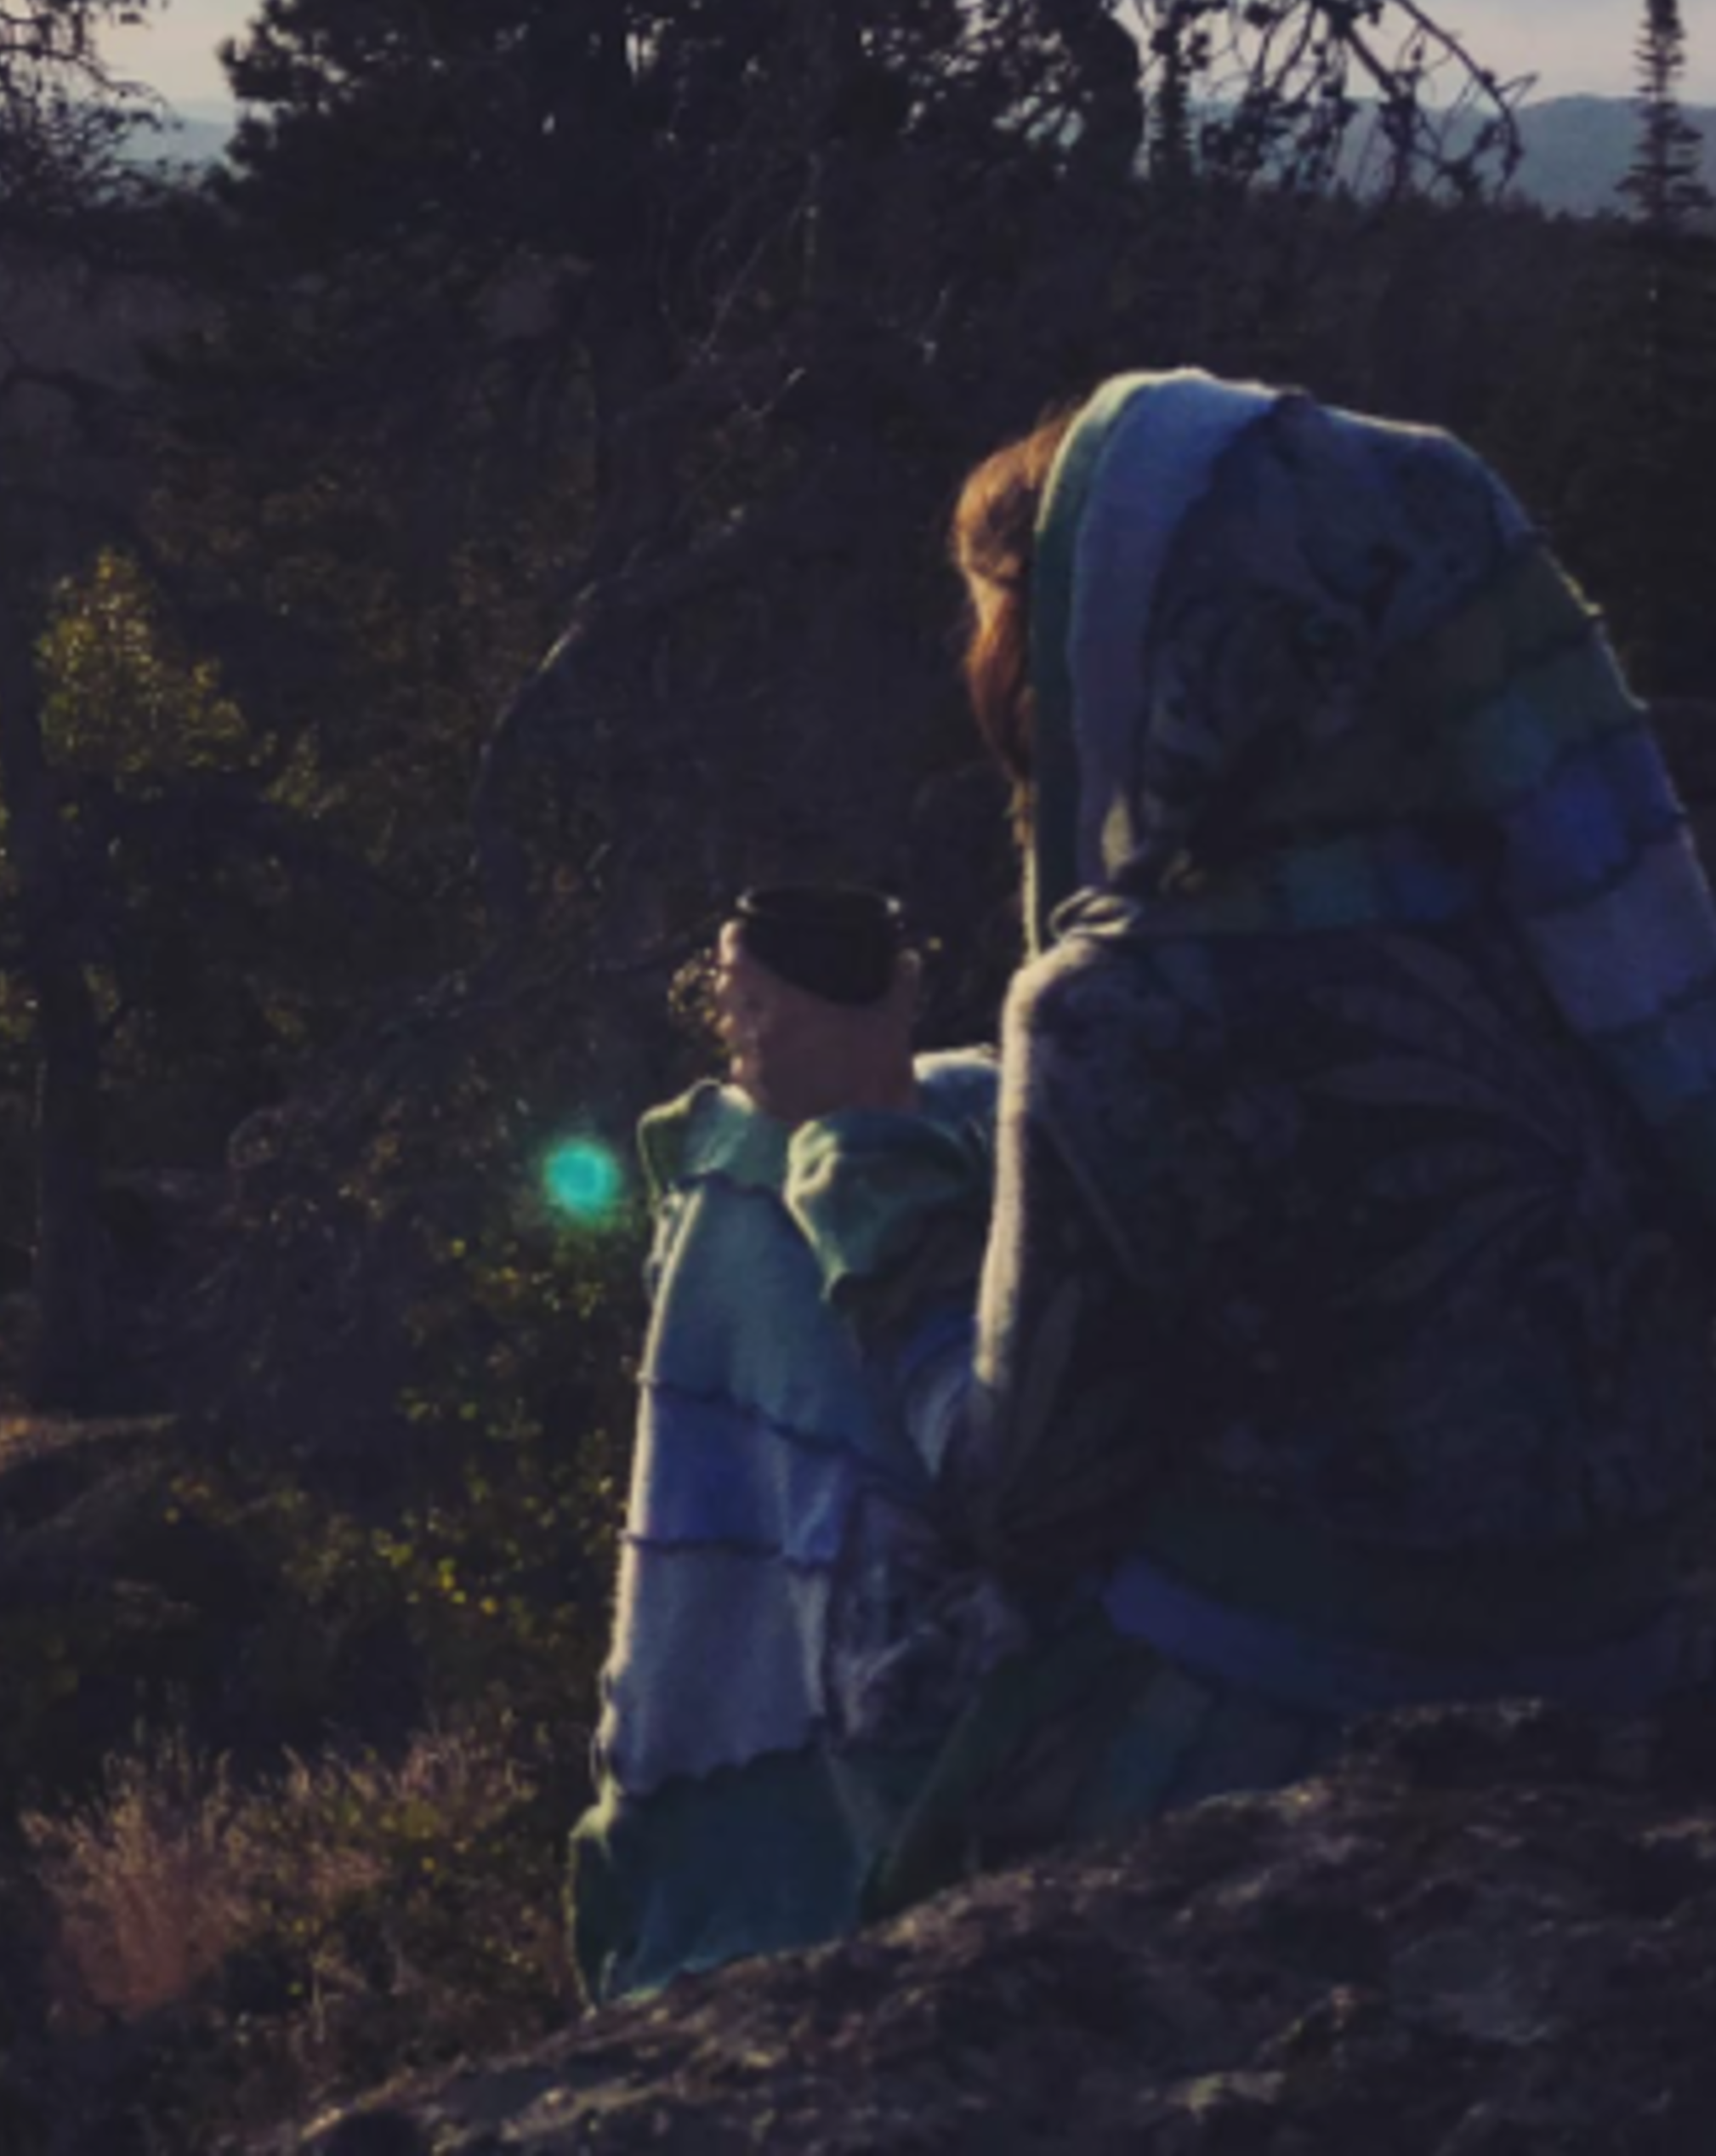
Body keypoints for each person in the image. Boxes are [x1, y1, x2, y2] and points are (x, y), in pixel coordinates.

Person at [571, 369, 1716, 2004]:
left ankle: (718, 1892)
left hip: (1285, 1732)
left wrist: (867, 1156)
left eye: (1017, 640)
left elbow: (1016, 1493)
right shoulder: (1586, 920)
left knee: (751, 1217)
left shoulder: (1128, 1006)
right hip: (1631, 1663)